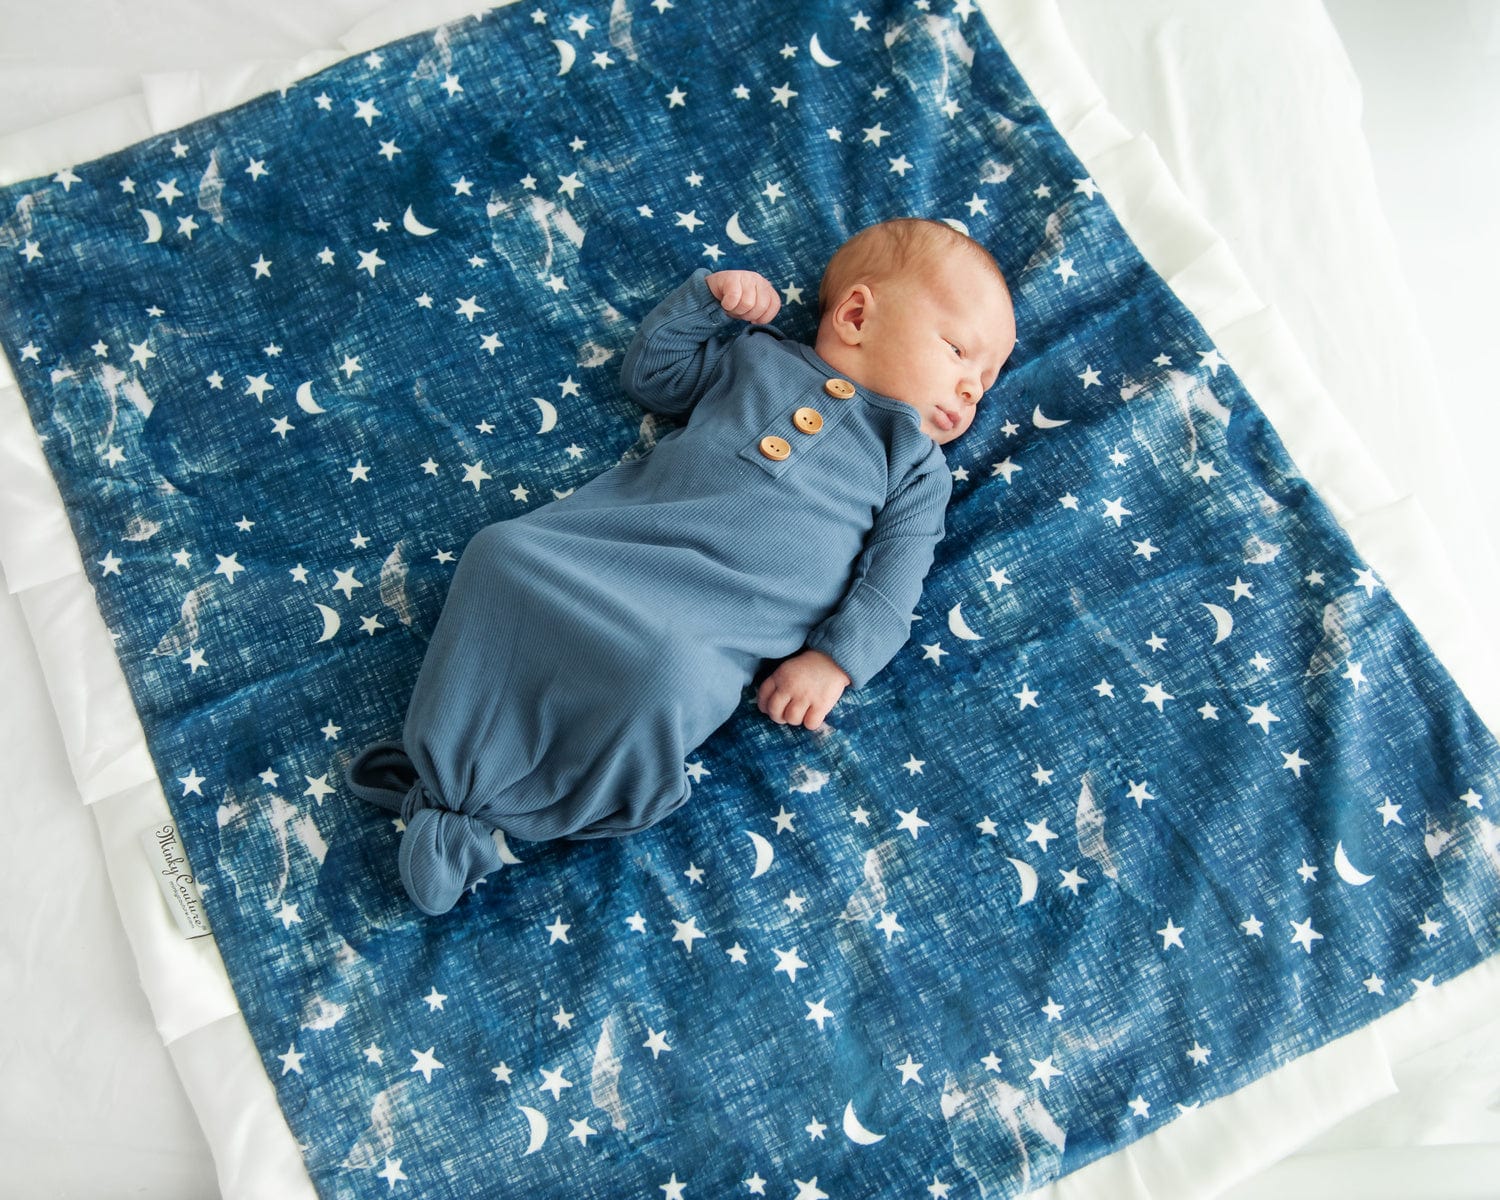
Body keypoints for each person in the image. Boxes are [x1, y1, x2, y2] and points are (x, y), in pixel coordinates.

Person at [344, 217, 1017, 915]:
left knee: (667, 677)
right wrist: (708, 304)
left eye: (985, 379)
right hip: (610, 551)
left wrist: (834, 663)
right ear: (854, 315)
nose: (972, 388)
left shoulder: (914, 467)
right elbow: (654, 378)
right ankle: (452, 756)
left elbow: (892, 586)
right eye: (960, 352)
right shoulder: (759, 359)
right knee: (499, 556)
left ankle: (503, 807)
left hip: (706, 627)